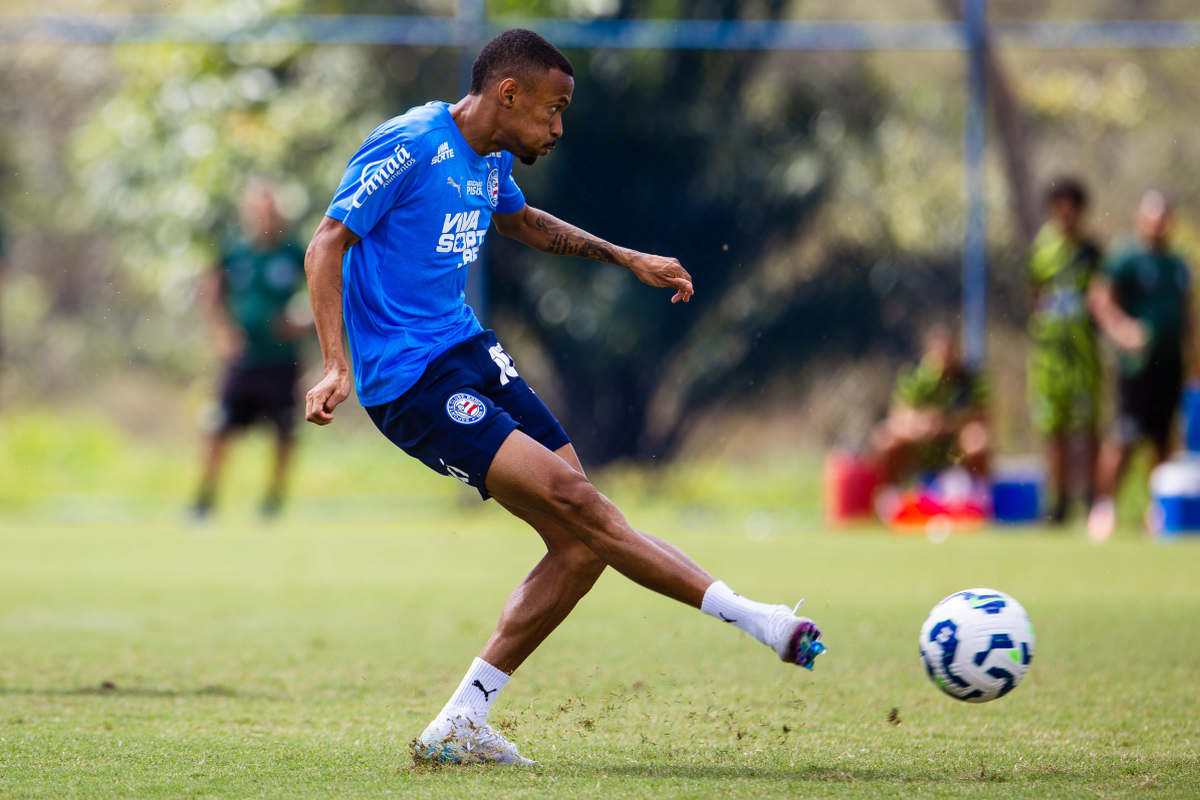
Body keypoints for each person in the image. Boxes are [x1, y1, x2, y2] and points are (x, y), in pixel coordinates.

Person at [303, 29, 824, 767]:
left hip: (468, 350)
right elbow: (326, 242)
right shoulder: (411, 142)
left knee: (581, 545)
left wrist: (627, 257)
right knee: (584, 510)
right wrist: (335, 365)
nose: (557, 128)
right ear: (507, 94)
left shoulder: (486, 160)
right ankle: (758, 619)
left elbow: (521, 221)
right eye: (552, 110)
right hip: (412, 384)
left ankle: (461, 721)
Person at [192, 181, 310, 520]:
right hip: (243, 360)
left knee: (286, 432)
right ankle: (204, 501)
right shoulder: (233, 250)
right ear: (248, 213)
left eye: (271, 211)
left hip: (282, 359)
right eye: (260, 210)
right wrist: (221, 332)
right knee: (219, 427)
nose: (266, 217)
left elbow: (321, 286)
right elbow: (211, 291)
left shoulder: (293, 250)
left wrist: (303, 319)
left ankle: (272, 503)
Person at [1087, 190, 1193, 542]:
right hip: (1137, 369)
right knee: (1124, 437)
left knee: (1164, 441)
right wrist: (1123, 331)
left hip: (1171, 367)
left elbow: (1188, 318)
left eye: (1165, 217)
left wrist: (1193, 364)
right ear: (1142, 220)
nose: (1159, 224)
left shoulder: (1178, 266)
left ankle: (1156, 510)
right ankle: (1104, 509)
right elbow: (1100, 300)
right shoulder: (1127, 260)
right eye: (1153, 217)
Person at [1027, 177, 1103, 524]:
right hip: (1050, 361)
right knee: (1053, 430)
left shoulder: (1091, 253)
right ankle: (1057, 503)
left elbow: (1102, 298)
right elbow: (1034, 296)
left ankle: (1091, 498)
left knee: (1086, 430)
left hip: (1083, 358)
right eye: (1060, 206)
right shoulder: (1042, 251)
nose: (1066, 213)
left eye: (1072, 207)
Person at [872, 323, 990, 489]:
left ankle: (979, 495)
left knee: (977, 440)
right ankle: (890, 497)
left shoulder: (969, 379)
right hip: (920, 443)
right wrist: (921, 423)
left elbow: (983, 416)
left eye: (950, 352)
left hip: (955, 447)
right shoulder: (915, 377)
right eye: (941, 353)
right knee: (886, 438)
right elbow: (898, 414)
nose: (946, 359)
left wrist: (947, 424)